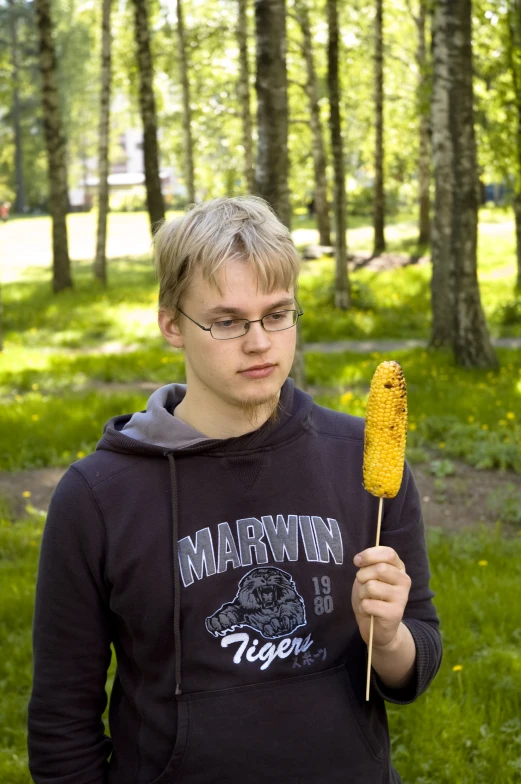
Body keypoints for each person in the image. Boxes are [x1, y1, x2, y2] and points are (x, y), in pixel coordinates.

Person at [27, 196, 442, 784]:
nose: (259, 342)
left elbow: (414, 665)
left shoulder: (363, 461)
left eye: (278, 314)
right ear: (172, 323)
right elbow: (61, 724)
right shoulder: (97, 497)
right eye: (227, 321)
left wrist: (390, 638)